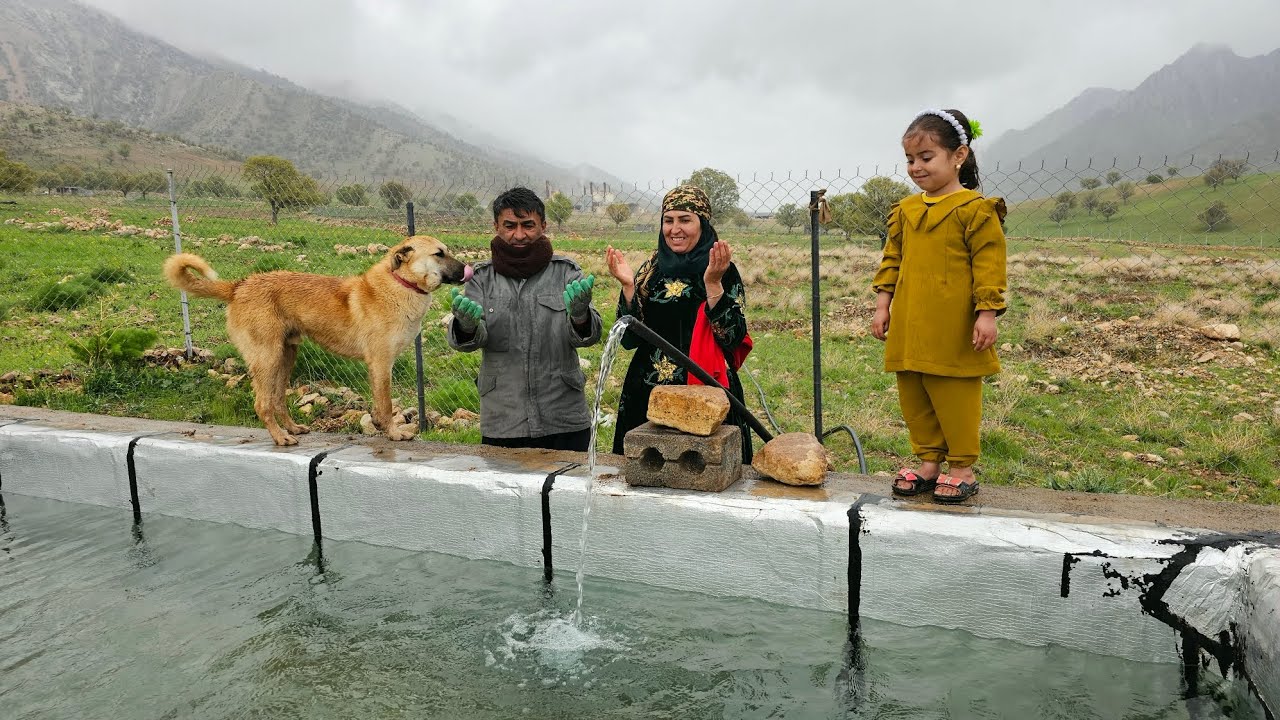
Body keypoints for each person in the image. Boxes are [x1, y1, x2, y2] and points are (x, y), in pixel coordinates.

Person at [871, 108, 1008, 504]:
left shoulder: (976, 210)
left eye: (926, 157)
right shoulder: (906, 211)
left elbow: (989, 266)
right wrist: (883, 306)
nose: (916, 167)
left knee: (954, 394)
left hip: (954, 326)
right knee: (914, 392)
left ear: (958, 156)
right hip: (911, 323)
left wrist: (986, 314)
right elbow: (891, 260)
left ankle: (961, 468)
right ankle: (929, 462)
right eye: (910, 159)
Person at [605, 184, 754, 462]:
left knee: (708, 470)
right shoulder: (651, 269)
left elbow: (732, 337)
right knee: (647, 469)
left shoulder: (721, 269)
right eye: (668, 220)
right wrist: (628, 287)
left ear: (703, 224)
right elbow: (629, 339)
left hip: (708, 388)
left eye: (685, 220)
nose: (675, 229)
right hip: (650, 393)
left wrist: (712, 284)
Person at [447, 187, 602, 451]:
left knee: (568, 491)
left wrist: (579, 316)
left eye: (528, 225)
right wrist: (466, 326)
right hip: (504, 418)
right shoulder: (482, 278)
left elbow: (590, 335)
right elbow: (474, 338)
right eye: (510, 225)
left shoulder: (566, 272)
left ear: (543, 225)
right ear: (496, 226)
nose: (519, 235)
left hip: (563, 417)